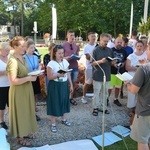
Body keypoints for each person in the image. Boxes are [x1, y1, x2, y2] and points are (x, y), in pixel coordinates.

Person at [6, 36, 38, 146]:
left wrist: (33, 74)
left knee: (27, 111)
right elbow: (13, 80)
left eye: (25, 46)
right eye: (22, 46)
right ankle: (20, 137)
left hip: (26, 89)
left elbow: (24, 72)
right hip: (19, 91)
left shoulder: (22, 58)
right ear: (15, 47)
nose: (25, 48)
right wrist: (29, 78)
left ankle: (26, 131)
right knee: (20, 113)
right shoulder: (13, 61)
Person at [125, 41, 150, 150]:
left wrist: (128, 85)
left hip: (145, 110)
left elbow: (134, 90)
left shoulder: (144, 69)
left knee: (142, 141)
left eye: (147, 48)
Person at [46, 45, 73, 133]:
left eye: (62, 53)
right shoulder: (51, 64)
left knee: (64, 101)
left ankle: (63, 119)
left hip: (64, 85)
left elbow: (68, 74)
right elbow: (49, 77)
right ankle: (53, 124)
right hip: (55, 85)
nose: (61, 55)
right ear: (54, 53)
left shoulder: (65, 62)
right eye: (59, 53)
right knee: (54, 103)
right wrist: (58, 75)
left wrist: (71, 84)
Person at [91, 33, 115, 116]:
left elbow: (111, 62)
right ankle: (95, 107)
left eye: (107, 41)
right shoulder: (96, 50)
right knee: (97, 92)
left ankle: (103, 107)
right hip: (98, 74)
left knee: (105, 93)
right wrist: (101, 61)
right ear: (100, 40)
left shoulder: (109, 50)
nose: (106, 43)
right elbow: (92, 63)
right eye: (104, 41)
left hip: (107, 74)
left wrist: (114, 62)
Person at [125, 40, 147, 125]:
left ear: (143, 46)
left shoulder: (145, 56)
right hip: (132, 76)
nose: (139, 47)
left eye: (141, 46)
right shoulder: (131, 56)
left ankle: (139, 109)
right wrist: (137, 68)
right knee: (132, 93)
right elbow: (127, 67)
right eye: (138, 46)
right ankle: (131, 109)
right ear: (135, 46)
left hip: (143, 77)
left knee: (141, 93)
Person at [24, 40, 41, 121]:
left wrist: (38, 70)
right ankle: (27, 113)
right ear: (26, 48)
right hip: (28, 79)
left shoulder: (35, 57)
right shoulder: (23, 58)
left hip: (35, 78)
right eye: (31, 48)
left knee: (34, 96)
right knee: (27, 97)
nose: (33, 50)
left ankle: (33, 113)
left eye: (34, 48)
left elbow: (37, 67)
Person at [108, 37, 127, 106]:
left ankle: (116, 99)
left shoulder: (124, 51)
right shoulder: (110, 50)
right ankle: (107, 99)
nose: (119, 44)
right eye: (118, 42)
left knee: (118, 87)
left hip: (120, 72)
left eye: (120, 43)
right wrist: (113, 64)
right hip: (112, 71)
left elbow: (125, 60)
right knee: (110, 87)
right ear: (114, 43)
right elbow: (108, 61)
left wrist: (123, 64)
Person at [63, 30, 80, 106]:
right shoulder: (63, 45)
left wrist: (77, 57)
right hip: (66, 67)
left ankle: (71, 98)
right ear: (67, 36)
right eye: (71, 35)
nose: (72, 37)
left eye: (73, 35)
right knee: (66, 83)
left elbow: (77, 54)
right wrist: (66, 58)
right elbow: (60, 56)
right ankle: (65, 98)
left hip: (75, 66)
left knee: (73, 82)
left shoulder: (76, 45)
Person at [81, 32, 97, 104]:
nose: (94, 38)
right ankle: (83, 97)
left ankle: (95, 97)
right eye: (92, 36)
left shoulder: (98, 46)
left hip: (97, 67)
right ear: (88, 38)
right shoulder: (87, 47)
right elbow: (88, 57)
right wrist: (94, 51)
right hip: (89, 67)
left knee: (96, 83)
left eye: (95, 36)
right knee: (87, 82)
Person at [0, 42, 10, 130]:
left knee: (11, 104)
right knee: (1, 105)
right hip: (1, 85)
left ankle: (12, 120)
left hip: (11, 84)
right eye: (6, 50)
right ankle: (2, 121)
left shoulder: (10, 57)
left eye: (9, 50)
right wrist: (5, 73)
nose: (8, 52)